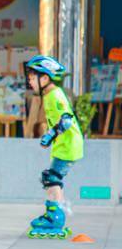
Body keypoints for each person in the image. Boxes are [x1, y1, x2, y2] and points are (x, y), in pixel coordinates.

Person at [24, 55, 82, 239]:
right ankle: (58, 209)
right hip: (64, 145)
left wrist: (49, 135)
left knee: (52, 178)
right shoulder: (49, 94)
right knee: (51, 177)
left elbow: (66, 120)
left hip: (68, 145)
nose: (29, 82)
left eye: (32, 78)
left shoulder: (54, 95)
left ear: (45, 78)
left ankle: (55, 216)